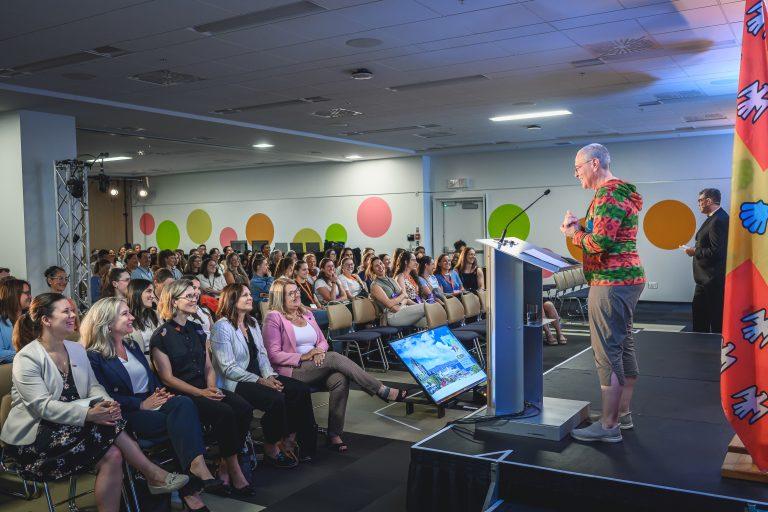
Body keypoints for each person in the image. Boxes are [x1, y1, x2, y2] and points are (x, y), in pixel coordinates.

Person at [0, 294, 188, 511]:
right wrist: (90, 414)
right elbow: (42, 407)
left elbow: (94, 387)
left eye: (72, 310)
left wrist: (108, 404)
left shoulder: (76, 349)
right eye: (66, 311)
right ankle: (153, 474)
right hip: (36, 437)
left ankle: (152, 477)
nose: (73, 315)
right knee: (112, 429)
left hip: (73, 426)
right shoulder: (27, 357)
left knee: (114, 451)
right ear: (46, 320)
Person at [83, 298, 222, 511]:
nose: (132, 318)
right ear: (107, 322)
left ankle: (195, 468)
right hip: (125, 412)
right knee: (180, 425)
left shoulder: (131, 345)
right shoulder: (93, 357)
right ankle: (191, 491)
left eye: (130, 312)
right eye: (125, 314)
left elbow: (150, 377)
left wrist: (160, 392)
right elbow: (102, 396)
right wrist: (140, 405)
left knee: (183, 403)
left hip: (152, 402)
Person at [262, 278, 410, 453]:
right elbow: (274, 354)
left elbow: (323, 341)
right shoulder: (274, 318)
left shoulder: (306, 313)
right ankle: (381, 389)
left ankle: (334, 434)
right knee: (333, 358)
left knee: (339, 379)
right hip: (293, 370)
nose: (296, 295)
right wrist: (305, 356)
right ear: (280, 297)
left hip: (318, 363)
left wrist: (318, 351)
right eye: (291, 293)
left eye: (297, 291)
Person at [562, 143, 645, 443]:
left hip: (611, 281)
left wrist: (574, 234)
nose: (576, 173)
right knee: (623, 346)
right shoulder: (620, 193)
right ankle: (622, 415)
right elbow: (609, 230)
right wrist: (581, 225)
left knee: (607, 352)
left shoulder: (608, 194)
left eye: (578, 167)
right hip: (626, 279)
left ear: (594, 164)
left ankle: (609, 425)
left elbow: (600, 243)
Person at [150, 279, 255, 496]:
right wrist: (201, 393)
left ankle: (225, 461)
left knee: (244, 408)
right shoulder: (161, 336)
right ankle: (234, 469)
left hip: (204, 388)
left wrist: (211, 388)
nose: (194, 298)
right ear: (173, 300)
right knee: (225, 412)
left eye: (194, 295)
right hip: (183, 395)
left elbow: (208, 366)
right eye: (188, 296)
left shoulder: (197, 329)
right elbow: (168, 378)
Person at [211, 284, 317, 468]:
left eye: (249, 294)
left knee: (299, 390)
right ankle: (271, 447)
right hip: (236, 382)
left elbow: (262, 355)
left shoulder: (251, 322)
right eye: (245, 295)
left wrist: (269, 376)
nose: (250, 297)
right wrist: (260, 380)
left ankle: (294, 440)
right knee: (276, 399)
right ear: (232, 300)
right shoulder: (222, 327)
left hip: (259, 376)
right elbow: (228, 369)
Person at [681, 188, 729, 333]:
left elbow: (718, 251)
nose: (698, 204)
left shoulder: (718, 220)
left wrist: (694, 251)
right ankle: (702, 348)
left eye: (700, 200)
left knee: (713, 319)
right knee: (701, 316)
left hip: (712, 279)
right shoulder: (714, 217)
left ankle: (711, 351)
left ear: (709, 200)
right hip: (706, 278)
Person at [368, 257, 426, 327]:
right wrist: (403, 296)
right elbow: (389, 304)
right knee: (426, 307)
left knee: (428, 319)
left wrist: (414, 304)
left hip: (403, 309)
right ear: (372, 270)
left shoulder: (392, 280)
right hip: (391, 316)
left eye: (380, 263)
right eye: (376, 266)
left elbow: (406, 297)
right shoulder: (375, 285)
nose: (380, 266)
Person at [125, 279, 160, 354]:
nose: (153, 296)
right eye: (149, 291)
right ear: (137, 292)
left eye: (153, 292)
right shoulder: (125, 319)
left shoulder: (155, 314)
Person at [0, 278, 31, 363]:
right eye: (27, 293)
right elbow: (0, 353)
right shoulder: (1, 322)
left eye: (30, 293)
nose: (30, 296)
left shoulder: (31, 318)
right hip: (9, 371)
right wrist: (28, 355)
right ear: (13, 294)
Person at [293, 260, 328, 328]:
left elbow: (315, 300)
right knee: (333, 315)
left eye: (307, 269)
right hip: (306, 314)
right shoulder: (293, 286)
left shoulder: (308, 283)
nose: (307, 272)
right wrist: (317, 310)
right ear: (296, 271)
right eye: (304, 270)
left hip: (315, 311)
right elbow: (300, 306)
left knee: (336, 311)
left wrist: (320, 307)